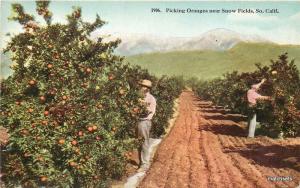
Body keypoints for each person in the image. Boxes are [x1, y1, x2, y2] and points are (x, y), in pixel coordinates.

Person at [137, 79, 156, 171]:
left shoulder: (151, 98)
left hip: (145, 121)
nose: (143, 88)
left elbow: (151, 112)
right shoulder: (138, 97)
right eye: (142, 86)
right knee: (138, 142)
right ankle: (141, 162)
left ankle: (144, 164)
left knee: (144, 142)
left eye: (145, 86)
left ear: (148, 88)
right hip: (137, 121)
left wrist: (143, 111)